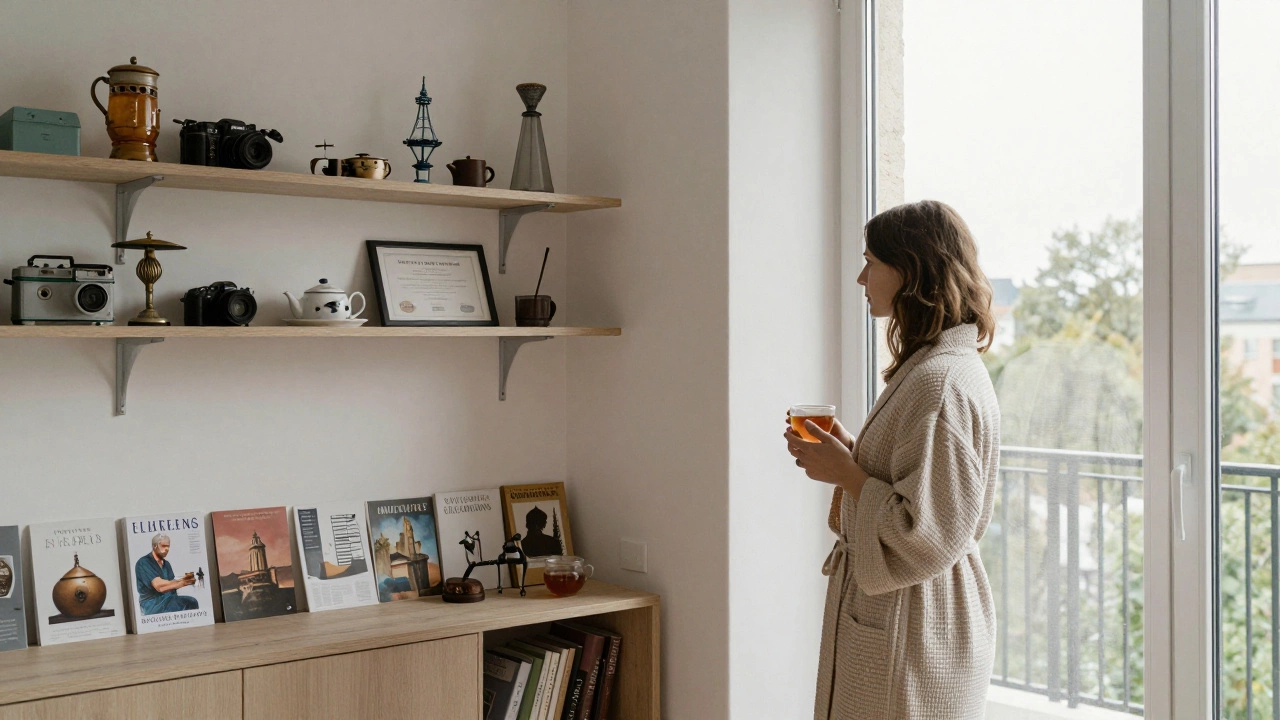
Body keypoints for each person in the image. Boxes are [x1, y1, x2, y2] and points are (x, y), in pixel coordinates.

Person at [785, 200, 1000, 719]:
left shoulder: (940, 383)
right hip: (902, 617)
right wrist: (856, 454)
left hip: (914, 625)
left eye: (871, 262)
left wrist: (846, 472)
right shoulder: (933, 367)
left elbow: (926, 533)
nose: (861, 277)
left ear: (910, 271)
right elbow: (923, 483)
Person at [135, 533, 199, 615]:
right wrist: (184, 581)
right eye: (164, 546)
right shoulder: (144, 562)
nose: (167, 549)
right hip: (152, 605)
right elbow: (160, 587)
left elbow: (172, 585)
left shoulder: (166, 564)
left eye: (168, 546)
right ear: (155, 546)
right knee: (190, 603)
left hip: (168, 600)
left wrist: (186, 579)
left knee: (191, 602)